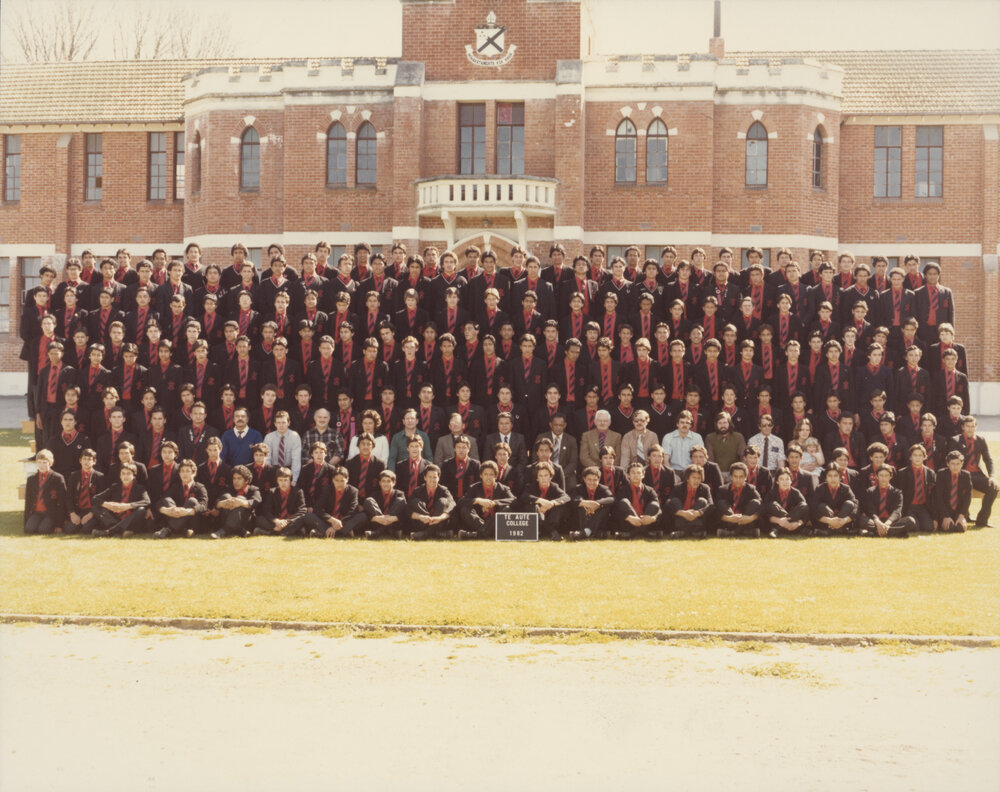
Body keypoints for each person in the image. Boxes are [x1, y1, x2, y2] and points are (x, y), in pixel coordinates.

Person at [951, 416, 997, 527]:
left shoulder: (981, 440)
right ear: (963, 427)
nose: (970, 429)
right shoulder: (955, 440)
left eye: (973, 426)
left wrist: (992, 476)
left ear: (976, 427)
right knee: (965, 488)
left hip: (977, 474)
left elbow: (988, 459)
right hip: (962, 474)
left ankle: (982, 520)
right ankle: (965, 515)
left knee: (993, 488)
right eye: (968, 426)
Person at [456, 461, 515, 540]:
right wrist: (478, 500)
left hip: (494, 521)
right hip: (479, 520)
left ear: (496, 476)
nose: (488, 477)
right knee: (465, 509)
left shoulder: (503, 488)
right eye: (485, 474)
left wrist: (495, 503)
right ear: (481, 475)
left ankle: (475, 535)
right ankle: (486, 531)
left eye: (491, 474)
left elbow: (514, 500)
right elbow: (461, 502)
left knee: (507, 509)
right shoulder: (474, 487)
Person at [153, 458, 209, 538]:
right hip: (176, 516)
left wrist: (187, 511)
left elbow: (204, 506)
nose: (184, 474)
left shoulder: (200, 487)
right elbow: (160, 501)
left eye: (188, 471)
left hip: (193, 521)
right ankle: (183, 530)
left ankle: (169, 529)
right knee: (166, 499)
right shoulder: (175, 486)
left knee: (192, 501)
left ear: (194, 473)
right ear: (179, 473)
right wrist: (166, 510)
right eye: (182, 471)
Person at [92, 462, 150, 538]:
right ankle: (120, 530)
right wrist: (107, 504)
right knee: (96, 507)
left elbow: (147, 501)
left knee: (141, 510)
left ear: (134, 476)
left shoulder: (140, 488)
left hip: (130, 520)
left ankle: (109, 532)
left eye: (128, 474)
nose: (125, 476)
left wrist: (128, 506)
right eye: (123, 473)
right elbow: (94, 498)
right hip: (115, 520)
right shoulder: (115, 487)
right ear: (120, 475)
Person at [517, 461, 570, 541]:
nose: (543, 478)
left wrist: (552, 503)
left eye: (546, 475)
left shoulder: (554, 486)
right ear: (537, 478)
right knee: (532, 506)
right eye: (540, 476)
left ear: (550, 477)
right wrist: (540, 501)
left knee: (559, 507)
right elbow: (524, 496)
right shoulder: (531, 486)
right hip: (536, 519)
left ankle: (544, 531)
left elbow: (566, 497)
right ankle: (551, 532)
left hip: (549, 517)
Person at [860, 465, 913, 538]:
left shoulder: (897, 492)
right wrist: (878, 523)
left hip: (891, 521)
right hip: (876, 521)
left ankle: (874, 533)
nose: (883, 478)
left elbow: (897, 511)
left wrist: (887, 524)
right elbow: (871, 510)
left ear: (890, 477)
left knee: (911, 521)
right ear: (877, 477)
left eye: (886, 475)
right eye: (881, 475)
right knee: (861, 520)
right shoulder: (870, 491)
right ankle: (895, 533)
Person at [254, 467, 310, 537]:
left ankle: (272, 532)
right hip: (277, 521)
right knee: (259, 519)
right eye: (280, 480)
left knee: (302, 520)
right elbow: (266, 511)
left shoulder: (298, 492)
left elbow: (302, 510)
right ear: (277, 481)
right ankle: (290, 532)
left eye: (286, 480)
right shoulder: (272, 492)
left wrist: (287, 521)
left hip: (290, 521)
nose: (283, 483)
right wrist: (276, 521)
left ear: (290, 481)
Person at [611, 462, 661, 539]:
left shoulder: (650, 490)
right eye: (633, 473)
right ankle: (644, 532)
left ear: (643, 475)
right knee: (623, 502)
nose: (636, 475)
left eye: (638, 473)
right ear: (628, 475)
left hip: (645, 522)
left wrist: (653, 518)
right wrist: (628, 518)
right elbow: (615, 509)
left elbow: (659, 509)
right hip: (629, 523)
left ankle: (632, 533)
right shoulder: (622, 490)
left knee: (654, 504)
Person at [405, 464, 455, 541]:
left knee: (443, 501)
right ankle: (437, 533)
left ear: (438, 478)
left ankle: (426, 534)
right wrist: (420, 517)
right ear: (425, 478)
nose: (432, 480)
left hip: (439, 523)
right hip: (423, 523)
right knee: (416, 502)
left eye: (435, 477)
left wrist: (439, 518)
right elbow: (408, 510)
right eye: (429, 477)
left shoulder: (444, 490)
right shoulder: (417, 491)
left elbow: (452, 506)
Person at [24, 449, 68, 535]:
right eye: (39, 462)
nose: (42, 465)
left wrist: (59, 525)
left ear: (50, 463)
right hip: (36, 512)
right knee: (29, 529)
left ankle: (49, 524)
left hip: (50, 513)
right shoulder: (31, 479)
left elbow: (62, 502)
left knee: (43, 530)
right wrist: (26, 521)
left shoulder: (58, 478)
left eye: (44, 462)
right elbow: (28, 501)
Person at [211, 465, 262, 539]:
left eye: (239, 478)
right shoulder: (229, 488)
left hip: (245, 521)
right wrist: (221, 504)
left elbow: (256, 501)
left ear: (246, 480)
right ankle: (239, 530)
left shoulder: (253, 489)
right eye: (234, 478)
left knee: (240, 498)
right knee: (226, 496)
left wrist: (241, 502)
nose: (236, 481)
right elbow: (217, 502)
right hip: (227, 518)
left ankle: (224, 530)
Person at [714, 462, 763, 538]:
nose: (738, 480)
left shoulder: (751, 489)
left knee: (756, 502)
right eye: (735, 476)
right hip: (729, 521)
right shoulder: (723, 489)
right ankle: (744, 532)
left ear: (746, 477)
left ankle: (731, 533)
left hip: (745, 520)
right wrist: (728, 518)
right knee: (721, 503)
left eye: (741, 477)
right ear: (731, 477)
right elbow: (715, 509)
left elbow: (762, 506)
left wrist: (751, 518)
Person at [568, 466, 615, 541]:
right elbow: (574, 499)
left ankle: (586, 532)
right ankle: (593, 532)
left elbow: (612, 499)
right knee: (581, 506)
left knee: (604, 507)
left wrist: (597, 504)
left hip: (598, 517)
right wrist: (586, 503)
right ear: (584, 479)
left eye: (595, 480)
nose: (592, 483)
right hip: (583, 518)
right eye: (589, 480)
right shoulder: (579, 488)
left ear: (599, 480)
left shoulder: (604, 489)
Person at [811, 463, 859, 536]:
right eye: (830, 476)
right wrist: (829, 521)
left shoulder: (846, 488)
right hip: (826, 521)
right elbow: (813, 509)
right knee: (821, 506)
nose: (833, 479)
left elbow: (856, 506)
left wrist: (844, 520)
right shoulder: (820, 488)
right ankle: (838, 530)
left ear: (840, 477)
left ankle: (833, 530)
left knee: (850, 503)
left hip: (842, 520)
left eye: (836, 476)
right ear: (826, 478)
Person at [665, 464, 712, 539]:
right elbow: (668, 503)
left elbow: (711, 505)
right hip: (681, 517)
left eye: (699, 478)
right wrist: (682, 513)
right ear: (687, 478)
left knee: (702, 501)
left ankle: (683, 531)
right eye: (694, 478)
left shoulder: (705, 488)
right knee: (674, 501)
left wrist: (698, 512)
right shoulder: (678, 487)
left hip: (696, 517)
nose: (696, 481)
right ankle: (692, 531)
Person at [763, 467, 811, 538]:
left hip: (793, 524)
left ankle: (777, 530)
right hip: (776, 522)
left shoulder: (796, 493)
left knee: (804, 505)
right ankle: (796, 530)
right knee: (773, 505)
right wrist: (779, 521)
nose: (785, 482)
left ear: (791, 481)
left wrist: (797, 523)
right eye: (781, 479)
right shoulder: (771, 493)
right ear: (777, 481)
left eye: (787, 479)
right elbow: (765, 514)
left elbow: (805, 511)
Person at [362, 470, 408, 539]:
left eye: (388, 481)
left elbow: (404, 513)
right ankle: (391, 531)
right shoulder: (375, 495)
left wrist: (393, 518)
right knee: (368, 500)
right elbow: (367, 514)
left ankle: (378, 532)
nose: (385, 484)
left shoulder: (400, 494)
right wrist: (377, 518)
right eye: (383, 481)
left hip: (394, 523)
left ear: (394, 483)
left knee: (401, 500)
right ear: (380, 483)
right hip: (378, 523)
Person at [934, 450, 973, 533]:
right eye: (953, 464)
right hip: (944, 510)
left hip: (958, 511)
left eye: (958, 464)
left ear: (962, 464)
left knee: (960, 529)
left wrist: (962, 516)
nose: (955, 467)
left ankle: (959, 520)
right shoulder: (941, 474)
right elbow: (938, 497)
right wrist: (945, 516)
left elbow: (968, 497)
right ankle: (945, 521)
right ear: (948, 464)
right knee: (949, 528)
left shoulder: (966, 475)